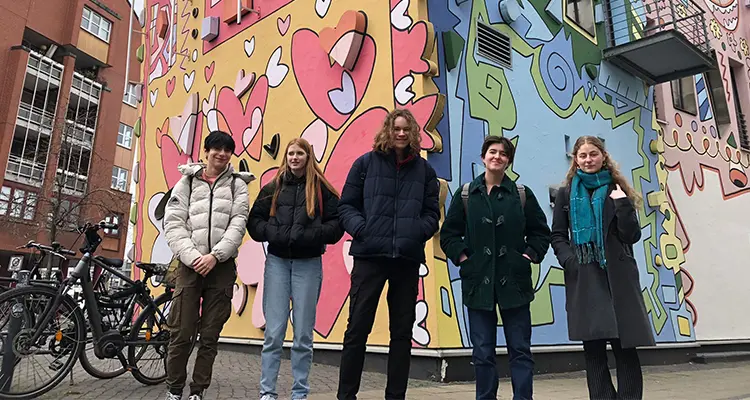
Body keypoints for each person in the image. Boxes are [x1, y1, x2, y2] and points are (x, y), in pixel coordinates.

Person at [336, 109, 440, 400]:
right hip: (369, 257)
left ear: (413, 133)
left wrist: (415, 232)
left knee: (402, 335)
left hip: (406, 260)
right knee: (357, 329)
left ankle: (396, 396)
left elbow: (432, 213)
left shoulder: (425, 171)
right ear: (387, 130)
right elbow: (346, 206)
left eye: (407, 129)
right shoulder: (365, 164)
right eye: (396, 128)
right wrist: (363, 229)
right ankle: (346, 396)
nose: (401, 133)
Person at [440, 135, 551, 400]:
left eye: (503, 153)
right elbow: (449, 235)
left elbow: (540, 233)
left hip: (515, 283)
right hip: (479, 283)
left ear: (508, 161)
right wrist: (466, 259)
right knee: (482, 352)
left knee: (520, 350)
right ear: (483, 157)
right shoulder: (467, 194)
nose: (497, 157)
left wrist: (528, 257)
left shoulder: (521, 195)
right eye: (492, 152)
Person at [550, 135, 654, 400]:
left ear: (603, 156)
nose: (588, 160)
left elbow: (631, 235)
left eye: (593, 154)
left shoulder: (617, 188)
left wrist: (622, 204)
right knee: (593, 349)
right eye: (583, 155)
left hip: (617, 277)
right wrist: (570, 261)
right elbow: (558, 235)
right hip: (585, 275)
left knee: (625, 347)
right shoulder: (566, 193)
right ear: (575, 159)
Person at [247, 138, 344, 400]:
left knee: (302, 334)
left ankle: (299, 392)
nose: (294, 157)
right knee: (274, 333)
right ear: (286, 157)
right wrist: (274, 234)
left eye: (299, 153)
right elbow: (254, 222)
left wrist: (311, 236)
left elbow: (337, 225)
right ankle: (267, 392)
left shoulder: (322, 189)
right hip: (277, 263)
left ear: (308, 156)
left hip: (309, 265)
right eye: (290, 153)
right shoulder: (273, 187)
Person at [163, 130, 254, 400]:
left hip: (222, 267)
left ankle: (197, 391)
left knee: (210, 335)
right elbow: (173, 224)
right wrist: (193, 257)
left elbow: (238, 224)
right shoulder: (186, 183)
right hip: (190, 266)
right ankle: (174, 389)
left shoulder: (238, 185)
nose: (222, 154)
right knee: (181, 333)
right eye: (216, 148)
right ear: (206, 152)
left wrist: (215, 256)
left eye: (227, 150)